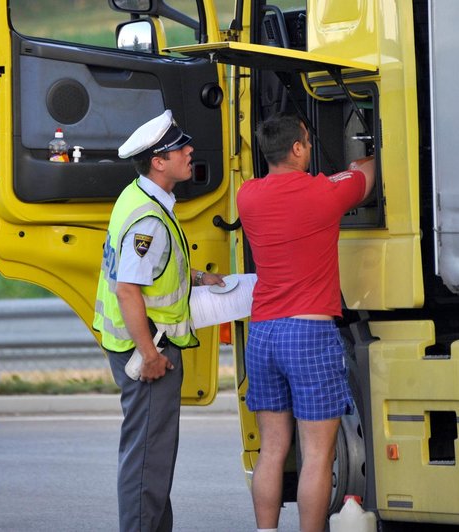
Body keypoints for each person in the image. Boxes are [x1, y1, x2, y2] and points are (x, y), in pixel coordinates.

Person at [236, 113, 376, 532]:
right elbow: (367, 172)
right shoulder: (322, 192)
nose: (310, 149)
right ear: (297, 148)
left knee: (273, 450)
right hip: (309, 332)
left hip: (263, 334)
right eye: (307, 143)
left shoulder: (247, 196)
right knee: (317, 453)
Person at [93, 109, 225, 532]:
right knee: (147, 463)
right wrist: (149, 355)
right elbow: (128, 289)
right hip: (148, 351)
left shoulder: (140, 197)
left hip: (146, 346)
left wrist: (201, 278)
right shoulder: (147, 217)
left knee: (153, 460)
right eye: (179, 147)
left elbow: (150, 274)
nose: (189, 151)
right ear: (158, 161)